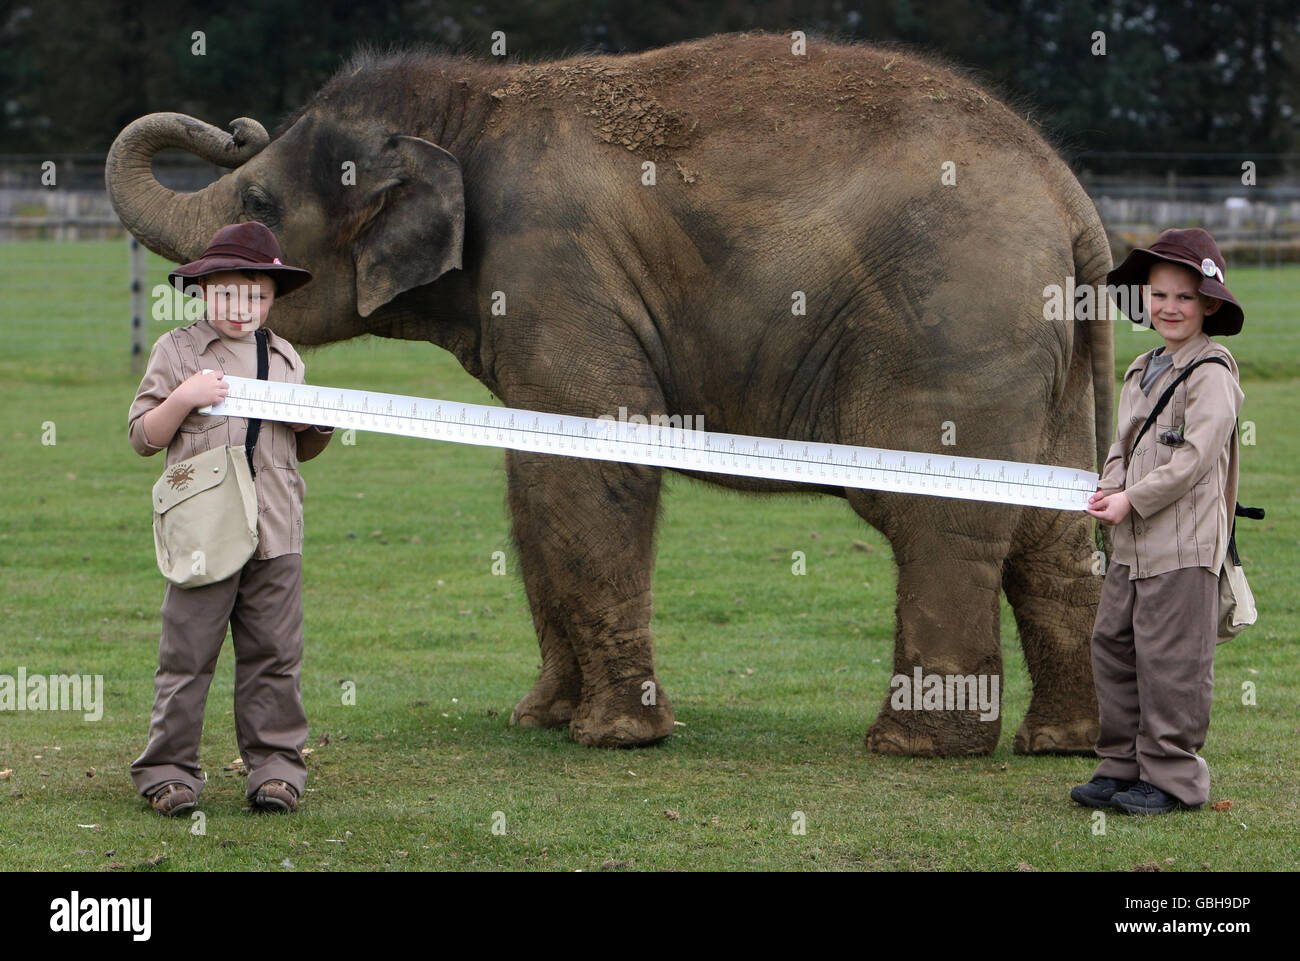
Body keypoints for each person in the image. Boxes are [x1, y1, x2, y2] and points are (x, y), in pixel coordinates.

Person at [127, 222, 334, 816]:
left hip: (276, 530)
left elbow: (303, 448)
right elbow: (144, 436)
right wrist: (185, 397)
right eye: (227, 294)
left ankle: (274, 770)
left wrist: (313, 425)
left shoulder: (286, 357)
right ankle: (168, 772)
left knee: (274, 653)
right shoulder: (177, 352)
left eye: (256, 295)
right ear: (202, 291)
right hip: (204, 532)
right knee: (188, 655)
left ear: (272, 298)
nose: (241, 307)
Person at [1071, 227, 1245, 815]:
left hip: (1182, 546)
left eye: (1185, 297)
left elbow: (1195, 460)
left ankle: (1173, 779)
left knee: (1171, 662)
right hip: (1131, 545)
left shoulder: (1213, 373)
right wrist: (1108, 487)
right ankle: (1122, 765)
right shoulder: (1141, 367)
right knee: (1113, 645)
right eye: (1159, 295)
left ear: (1210, 305)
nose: (1170, 308)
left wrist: (1132, 499)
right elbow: (1121, 444)